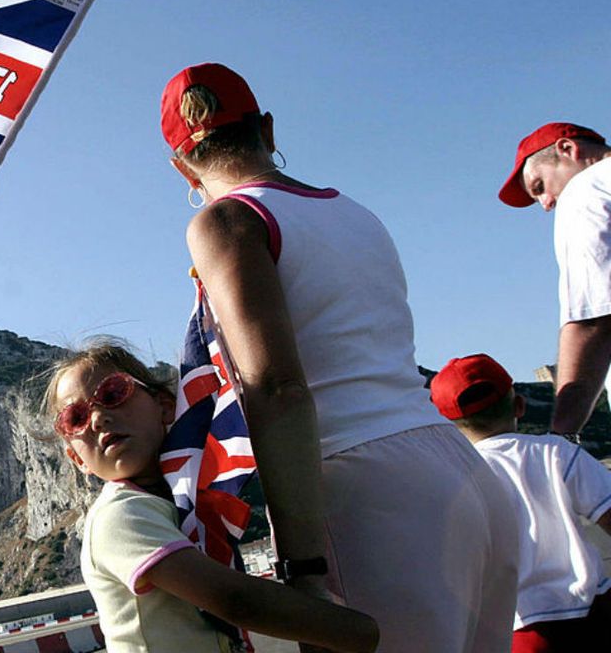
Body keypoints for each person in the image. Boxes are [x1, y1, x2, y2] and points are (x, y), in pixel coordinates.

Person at [161, 62, 518, 652]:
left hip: (365, 488)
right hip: (459, 468)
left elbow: (275, 385)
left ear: (182, 168)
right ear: (268, 131)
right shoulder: (354, 213)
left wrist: (303, 565)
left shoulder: (226, 219)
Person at [43, 341, 380, 653]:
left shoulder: (181, 507)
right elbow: (233, 599)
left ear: (164, 407)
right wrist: (357, 631)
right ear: (77, 460)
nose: (99, 418)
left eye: (114, 393)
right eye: (76, 418)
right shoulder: (120, 516)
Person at [430, 353, 611, 652]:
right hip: (594, 616)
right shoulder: (556, 453)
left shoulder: (451, 481)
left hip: (519, 631)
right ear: (519, 405)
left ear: (449, 429)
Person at [498, 123, 611, 439]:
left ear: (567, 149)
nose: (546, 204)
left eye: (539, 186)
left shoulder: (586, 189)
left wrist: (562, 434)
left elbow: (592, 319)